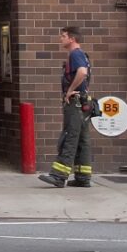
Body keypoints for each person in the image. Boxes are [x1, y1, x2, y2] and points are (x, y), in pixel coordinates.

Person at [39, 26, 92, 188]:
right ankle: (83, 177)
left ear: (72, 39)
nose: (60, 39)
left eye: (63, 36)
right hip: (83, 102)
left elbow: (82, 72)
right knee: (83, 140)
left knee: (69, 137)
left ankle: (59, 176)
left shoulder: (75, 54)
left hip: (75, 103)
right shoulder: (82, 54)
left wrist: (69, 91)